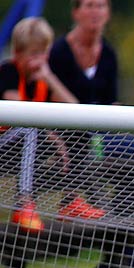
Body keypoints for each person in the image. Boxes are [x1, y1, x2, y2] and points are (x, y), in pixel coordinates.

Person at [49, 0, 134, 268]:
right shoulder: (59, 53)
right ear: (75, 12)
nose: (95, 12)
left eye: (101, 6)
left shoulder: (109, 55)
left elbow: (111, 106)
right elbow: (57, 108)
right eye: (89, 5)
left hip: (103, 142)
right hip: (71, 143)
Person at [1, 17, 90, 233]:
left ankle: (70, 201)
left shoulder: (43, 78)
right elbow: (19, 115)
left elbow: (75, 110)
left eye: (43, 54)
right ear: (17, 54)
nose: (38, 61)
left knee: (80, 130)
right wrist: (53, 138)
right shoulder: (8, 72)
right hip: (5, 146)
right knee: (30, 127)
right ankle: (23, 204)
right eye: (33, 54)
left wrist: (49, 78)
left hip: (31, 149)